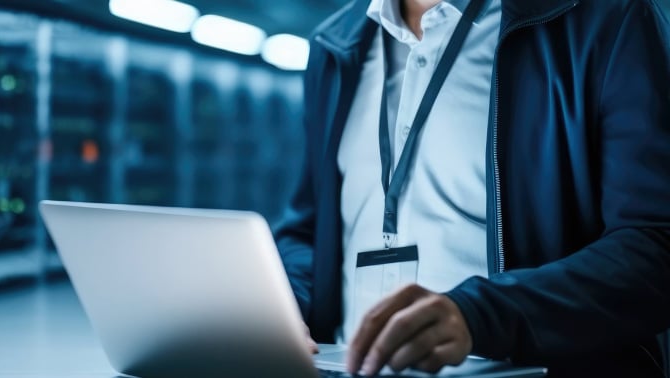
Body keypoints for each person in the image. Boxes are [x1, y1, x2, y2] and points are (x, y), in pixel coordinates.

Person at [273, 0, 670, 376]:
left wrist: (482, 315)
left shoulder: (605, 18)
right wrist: (278, 302)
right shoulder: (334, 43)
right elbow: (308, 230)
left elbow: (656, 241)